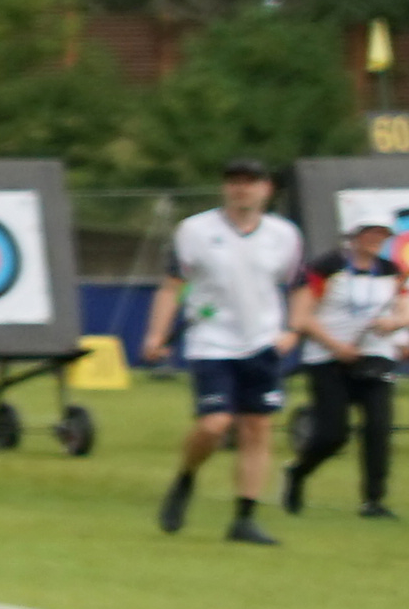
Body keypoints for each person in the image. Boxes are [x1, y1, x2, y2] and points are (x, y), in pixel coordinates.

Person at [149, 155, 306, 545]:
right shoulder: (195, 230)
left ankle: (245, 517)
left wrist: (292, 330)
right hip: (211, 340)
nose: (242, 188)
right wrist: (156, 335)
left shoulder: (283, 235)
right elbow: (171, 286)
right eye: (234, 181)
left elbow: (300, 285)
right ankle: (186, 476)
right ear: (224, 187)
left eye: (250, 181)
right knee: (214, 424)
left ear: (266, 189)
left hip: (261, 341)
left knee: (257, 427)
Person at [283, 214, 397, 523]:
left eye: (382, 234)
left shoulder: (391, 271)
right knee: (334, 434)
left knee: (378, 427)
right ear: (355, 235)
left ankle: (373, 500)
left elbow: (403, 307)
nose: (377, 239)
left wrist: (395, 324)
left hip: (374, 354)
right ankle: (298, 472)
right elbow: (303, 315)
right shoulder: (325, 267)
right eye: (370, 232)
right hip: (326, 358)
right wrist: (335, 346)